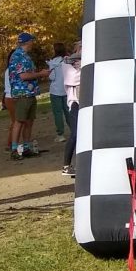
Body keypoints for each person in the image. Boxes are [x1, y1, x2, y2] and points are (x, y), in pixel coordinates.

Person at [8, 31, 49, 159]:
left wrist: (39, 74)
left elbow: (29, 73)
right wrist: (40, 74)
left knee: (29, 121)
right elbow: (23, 75)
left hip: (30, 93)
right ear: (27, 42)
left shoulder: (26, 56)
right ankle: (14, 150)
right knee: (19, 121)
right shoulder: (18, 56)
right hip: (22, 93)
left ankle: (26, 147)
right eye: (31, 41)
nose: (33, 43)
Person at [60, 40, 82, 178]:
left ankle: (80, 164)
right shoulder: (66, 63)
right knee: (75, 133)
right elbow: (74, 79)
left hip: (85, 102)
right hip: (75, 102)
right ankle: (66, 166)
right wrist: (84, 67)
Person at [47, 42, 68, 142]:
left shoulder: (53, 62)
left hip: (55, 90)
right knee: (68, 112)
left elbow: (52, 77)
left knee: (58, 113)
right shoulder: (67, 60)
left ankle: (60, 134)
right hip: (66, 89)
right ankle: (74, 130)